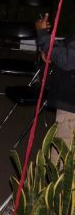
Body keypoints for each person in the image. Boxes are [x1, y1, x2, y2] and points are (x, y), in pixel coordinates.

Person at [36, 13, 75, 154]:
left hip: (71, 107)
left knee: (61, 162)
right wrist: (51, 49)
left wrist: (43, 36)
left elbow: (68, 60)